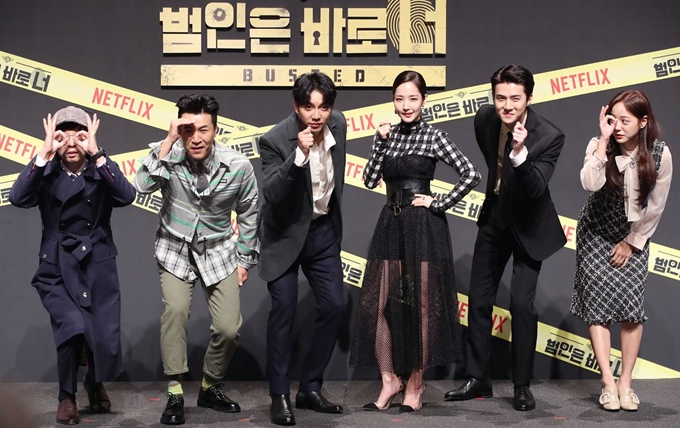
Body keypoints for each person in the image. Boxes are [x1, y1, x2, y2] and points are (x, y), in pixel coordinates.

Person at [350, 70, 481, 413]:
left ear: (424, 100)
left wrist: (439, 202)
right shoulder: (387, 136)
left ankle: (416, 384)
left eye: (412, 98)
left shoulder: (434, 136)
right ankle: (389, 380)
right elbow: (369, 180)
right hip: (391, 222)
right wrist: (379, 142)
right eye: (399, 99)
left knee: (421, 306)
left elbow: (471, 173)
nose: (406, 105)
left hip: (423, 225)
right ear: (393, 101)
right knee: (374, 305)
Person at [445, 65, 567, 411]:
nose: (507, 105)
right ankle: (478, 379)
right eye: (501, 98)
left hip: (529, 226)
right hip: (495, 217)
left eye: (515, 98)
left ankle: (522, 385)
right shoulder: (485, 119)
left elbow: (535, 188)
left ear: (529, 98)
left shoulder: (549, 136)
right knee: (478, 300)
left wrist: (520, 154)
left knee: (521, 306)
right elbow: (492, 165)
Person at [134, 94, 259, 425]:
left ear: (215, 129)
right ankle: (175, 392)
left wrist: (245, 260)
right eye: (188, 130)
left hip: (219, 250)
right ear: (180, 130)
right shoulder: (168, 155)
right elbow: (141, 186)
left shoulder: (237, 166)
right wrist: (167, 142)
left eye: (204, 129)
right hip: (174, 248)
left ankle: (209, 386)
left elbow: (249, 213)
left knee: (229, 328)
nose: (197, 138)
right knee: (175, 312)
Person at [9, 106, 136, 425]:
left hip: (97, 263)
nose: (70, 143)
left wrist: (98, 153)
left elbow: (127, 196)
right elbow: (18, 198)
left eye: (79, 135)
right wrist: (43, 153)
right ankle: (66, 396)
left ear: (89, 138)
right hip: (56, 266)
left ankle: (94, 383)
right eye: (62, 136)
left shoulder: (100, 169)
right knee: (73, 327)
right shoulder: (46, 172)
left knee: (100, 332)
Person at [570, 90, 672, 412]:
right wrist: (602, 143)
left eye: (625, 121)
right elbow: (589, 183)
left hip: (634, 234)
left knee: (631, 307)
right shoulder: (599, 145)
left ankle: (626, 381)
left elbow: (656, 206)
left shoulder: (660, 154)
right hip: (595, 232)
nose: (617, 127)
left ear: (643, 122)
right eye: (612, 119)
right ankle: (607, 381)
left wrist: (631, 241)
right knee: (597, 306)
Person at [258, 71, 347, 426]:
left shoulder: (339, 125)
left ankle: (309, 387)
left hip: (321, 231)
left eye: (323, 107)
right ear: (296, 107)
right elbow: (272, 193)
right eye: (309, 107)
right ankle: (279, 395)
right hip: (284, 235)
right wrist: (299, 156)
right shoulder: (274, 139)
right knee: (283, 310)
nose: (317, 115)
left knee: (335, 305)